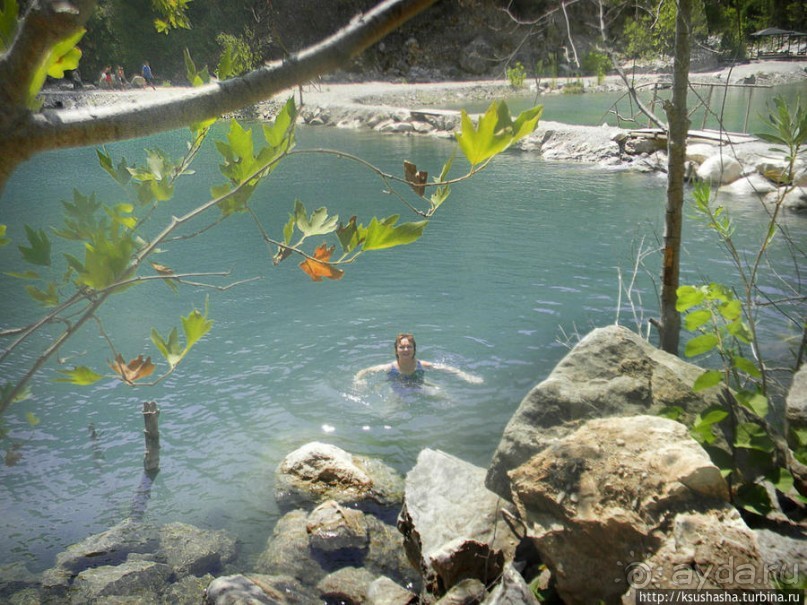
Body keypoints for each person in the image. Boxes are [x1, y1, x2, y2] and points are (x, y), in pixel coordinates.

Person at [354, 333, 483, 386]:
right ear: (396, 350)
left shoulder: (422, 365)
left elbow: (447, 369)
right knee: (389, 413)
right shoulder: (390, 367)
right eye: (402, 347)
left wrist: (466, 376)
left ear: (414, 349)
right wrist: (358, 381)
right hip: (399, 389)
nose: (405, 350)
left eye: (409, 347)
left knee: (446, 398)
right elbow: (365, 371)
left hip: (419, 386)